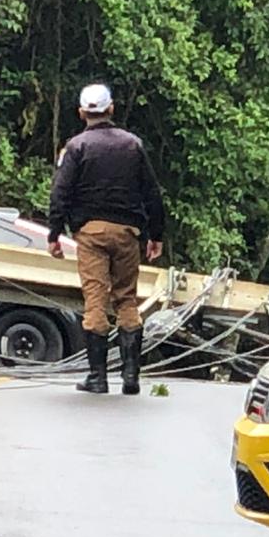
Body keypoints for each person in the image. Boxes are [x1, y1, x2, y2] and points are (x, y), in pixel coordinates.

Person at [47, 84, 165, 394]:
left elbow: (61, 192)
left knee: (95, 300)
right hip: (128, 233)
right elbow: (152, 193)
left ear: (82, 113)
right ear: (111, 109)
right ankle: (131, 377)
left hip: (91, 233)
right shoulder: (133, 145)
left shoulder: (76, 147)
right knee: (126, 299)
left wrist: (54, 233)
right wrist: (156, 234)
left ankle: (98, 378)